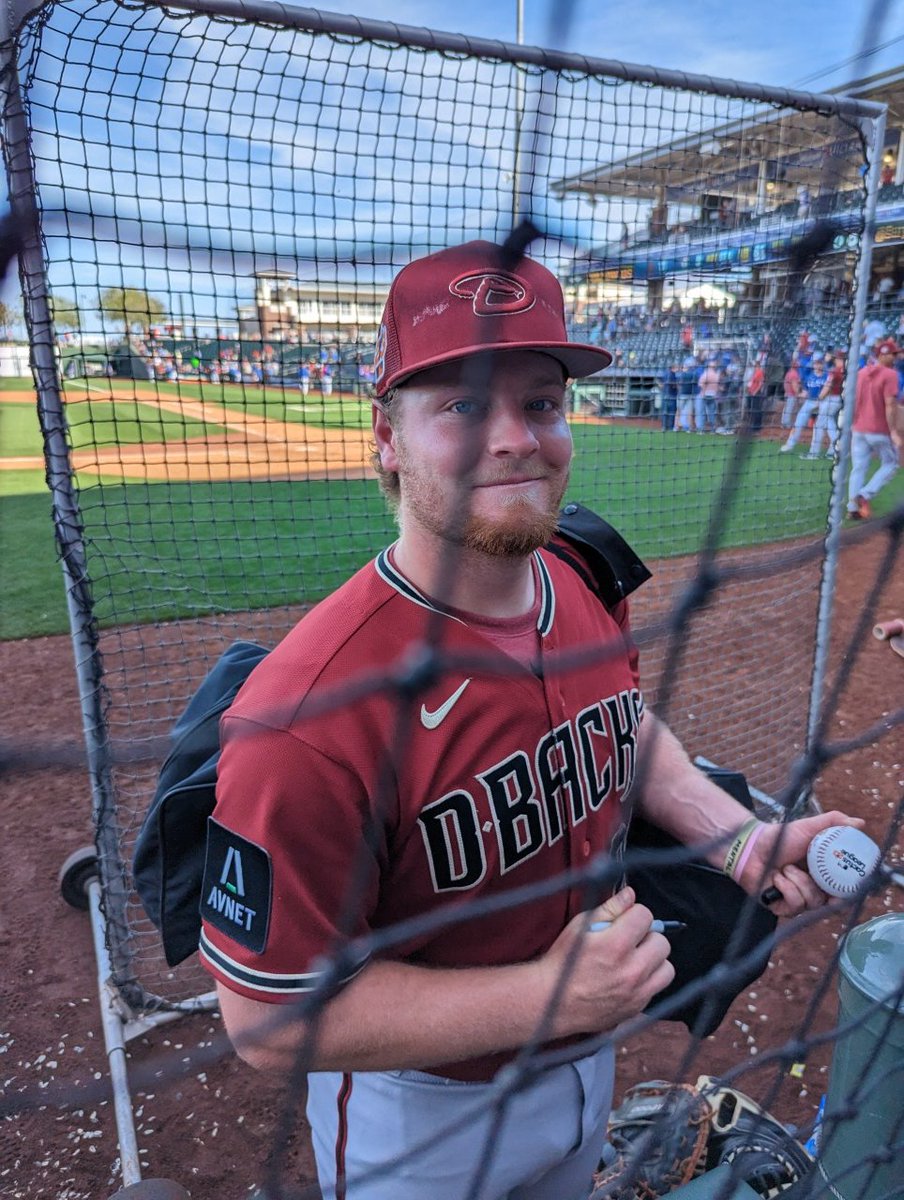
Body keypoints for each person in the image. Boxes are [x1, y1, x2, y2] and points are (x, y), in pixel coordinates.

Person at [201, 240, 860, 1200]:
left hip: (595, 1059)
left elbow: (625, 728)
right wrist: (544, 997)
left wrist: (738, 840)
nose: (514, 438)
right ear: (385, 436)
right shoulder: (307, 718)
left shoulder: (580, 581)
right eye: (463, 405)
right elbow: (265, 1018)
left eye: (540, 403)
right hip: (422, 1118)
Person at [846, 339, 902, 519]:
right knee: (891, 463)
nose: (895, 357)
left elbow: (853, 399)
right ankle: (864, 494)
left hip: (859, 429)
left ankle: (852, 508)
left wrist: (854, 422)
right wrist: (893, 431)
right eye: (892, 354)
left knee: (859, 468)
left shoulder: (861, 372)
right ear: (883, 355)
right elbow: (890, 404)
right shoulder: (890, 374)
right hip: (879, 430)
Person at [780, 353, 827, 452]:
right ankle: (790, 444)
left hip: (823, 403)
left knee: (826, 426)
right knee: (798, 423)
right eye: (815, 363)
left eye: (819, 363)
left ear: (822, 364)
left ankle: (830, 449)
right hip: (810, 402)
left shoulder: (826, 376)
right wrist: (800, 395)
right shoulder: (809, 376)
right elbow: (806, 392)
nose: (817, 365)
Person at [804, 351, 845, 460]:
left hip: (831, 399)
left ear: (836, 359)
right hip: (840, 399)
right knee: (829, 422)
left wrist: (819, 398)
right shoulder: (847, 371)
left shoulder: (835, 371)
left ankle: (814, 453)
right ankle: (833, 451)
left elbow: (827, 386)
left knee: (819, 425)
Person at [781, 355, 803, 429]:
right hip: (792, 394)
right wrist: (798, 394)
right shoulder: (795, 374)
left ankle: (784, 423)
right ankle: (787, 424)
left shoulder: (788, 373)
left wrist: (786, 391)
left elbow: (785, 384)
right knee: (789, 409)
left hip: (787, 393)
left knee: (786, 409)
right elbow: (795, 387)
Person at [660, 361, 679, 430]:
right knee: (671, 412)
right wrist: (678, 387)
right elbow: (673, 385)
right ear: (673, 368)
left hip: (664, 395)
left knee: (665, 412)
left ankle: (664, 427)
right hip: (671, 395)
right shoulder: (672, 374)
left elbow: (660, 383)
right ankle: (670, 427)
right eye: (676, 367)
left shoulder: (665, 373)